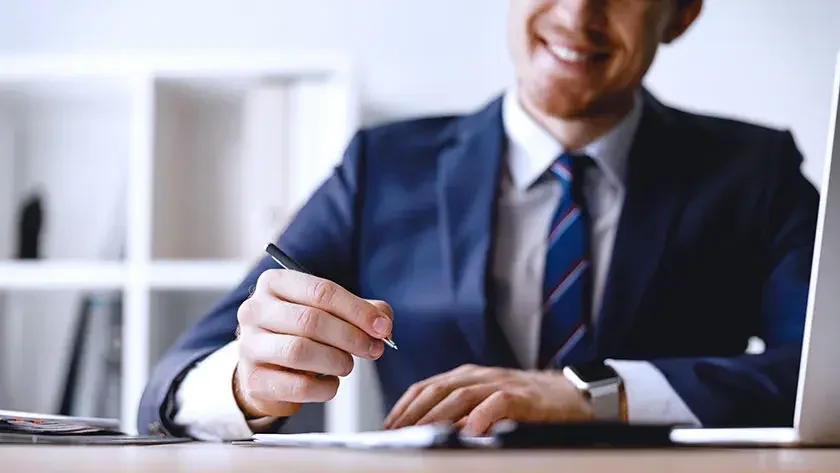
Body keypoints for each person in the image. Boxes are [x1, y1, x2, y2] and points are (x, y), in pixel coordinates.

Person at [138, 0, 818, 440]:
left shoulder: (755, 172)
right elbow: (172, 382)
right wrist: (245, 383)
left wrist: (587, 393)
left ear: (682, 13)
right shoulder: (383, 165)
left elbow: (822, 381)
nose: (579, 13)